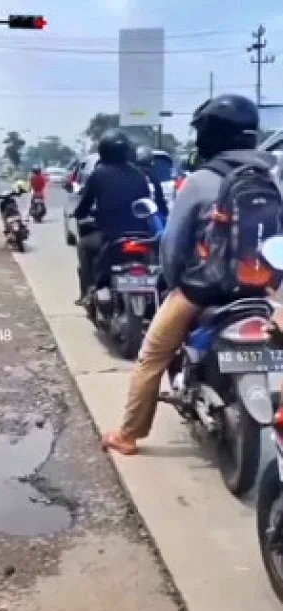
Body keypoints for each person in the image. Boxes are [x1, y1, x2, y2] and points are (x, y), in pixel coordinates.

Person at [101, 94, 273, 455]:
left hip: (206, 291)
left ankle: (128, 436)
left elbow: (173, 246)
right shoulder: (271, 178)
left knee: (151, 356)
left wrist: (174, 281)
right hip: (260, 289)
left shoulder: (200, 181)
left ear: (211, 136)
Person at [71, 129, 154, 306]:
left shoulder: (98, 175)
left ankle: (87, 291)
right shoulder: (139, 175)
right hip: (141, 235)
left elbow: (85, 205)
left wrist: (79, 214)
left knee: (84, 246)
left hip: (111, 236)